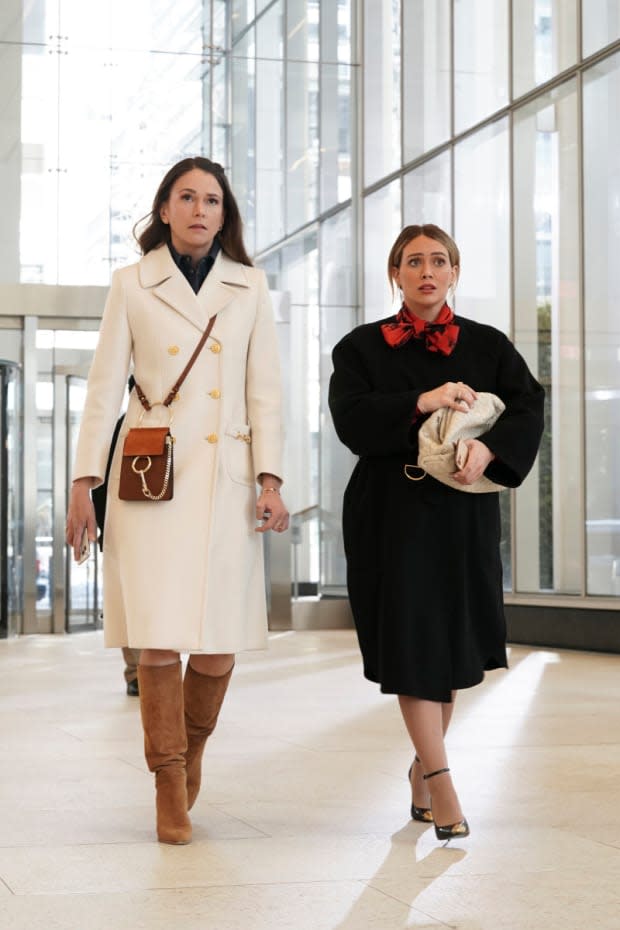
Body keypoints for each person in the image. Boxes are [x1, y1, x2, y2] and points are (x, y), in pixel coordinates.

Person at [65, 156, 289, 845]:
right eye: (186, 197)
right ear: (164, 209)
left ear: (225, 215)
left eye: (212, 200)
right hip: (149, 478)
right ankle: (168, 779)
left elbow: (265, 390)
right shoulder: (132, 283)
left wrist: (272, 480)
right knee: (158, 640)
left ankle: (190, 753)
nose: (199, 210)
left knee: (219, 648)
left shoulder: (249, 286)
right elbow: (104, 389)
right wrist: (83, 486)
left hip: (226, 477)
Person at [328, 224, 544, 842]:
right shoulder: (360, 347)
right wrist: (421, 401)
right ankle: (444, 783)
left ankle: (423, 769)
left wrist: (490, 450)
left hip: (463, 516)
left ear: (454, 272)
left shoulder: (488, 344)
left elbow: (528, 405)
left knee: (448, 653)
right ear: (395, 273)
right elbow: (351, 420)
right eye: (413, 261)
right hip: (389, 517)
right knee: (414, 649)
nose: (427, 271)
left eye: (439, 261)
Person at [91, 376, 141, 697]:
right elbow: (101, 488)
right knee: (128, 601)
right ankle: (136, 671)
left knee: (132, 600)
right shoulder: (121, 430)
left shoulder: (119, 428)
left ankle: (138, 671)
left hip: (130, 531)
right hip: (125, 529)